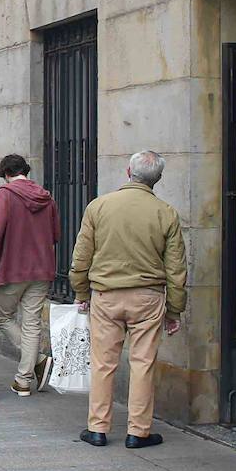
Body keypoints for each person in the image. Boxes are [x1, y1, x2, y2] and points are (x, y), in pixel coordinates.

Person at [69, 151, 187, 450]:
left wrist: (82, 292)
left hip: (106, 295)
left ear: (128, 172)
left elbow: (81, 257)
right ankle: (139, 431)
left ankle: (97, 427)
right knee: (143, 363)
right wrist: (174, 310)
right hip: (148, 296)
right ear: (157, 179)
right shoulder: (166, 212)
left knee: (102, 363)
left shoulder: (99, 207)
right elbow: (176, 268)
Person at [0, 154, 60, 396]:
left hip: (13, 268)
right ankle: (24, 379)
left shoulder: (6, 194)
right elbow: (55, 234)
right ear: (26, 171)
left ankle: (37, 362)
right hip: (42, 268)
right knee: (32, 323)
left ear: (6, 173)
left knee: (1, 316)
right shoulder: (46, 197)